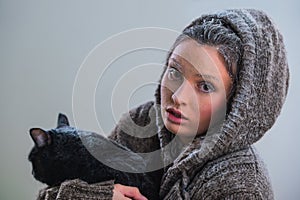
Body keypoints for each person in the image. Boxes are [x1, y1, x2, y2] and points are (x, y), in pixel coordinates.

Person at [37, 8, 289, 199]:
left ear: (238, 105)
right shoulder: (140, 124)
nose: (178, 96)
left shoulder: (243, 185)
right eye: (174, 72)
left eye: (204, 86)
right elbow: (47, 194)